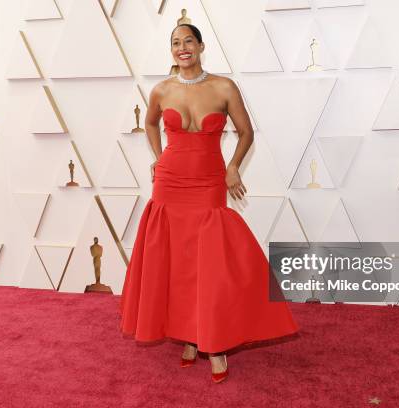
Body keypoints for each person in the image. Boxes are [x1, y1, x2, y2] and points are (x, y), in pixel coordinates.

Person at [119, 23, 299, 383]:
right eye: (175, 43)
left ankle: (212, 345)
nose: (182, 48)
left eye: (188, 41)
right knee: (176, 263)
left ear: (201, 46)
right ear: (171, 50)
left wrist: (233, 166)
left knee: (209, 264)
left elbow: (246, 132)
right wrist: (158, 156)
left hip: (208, 181)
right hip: (170, 182)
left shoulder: (223, 87)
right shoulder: (161, 90)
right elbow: (152, 125)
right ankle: (189, 337)